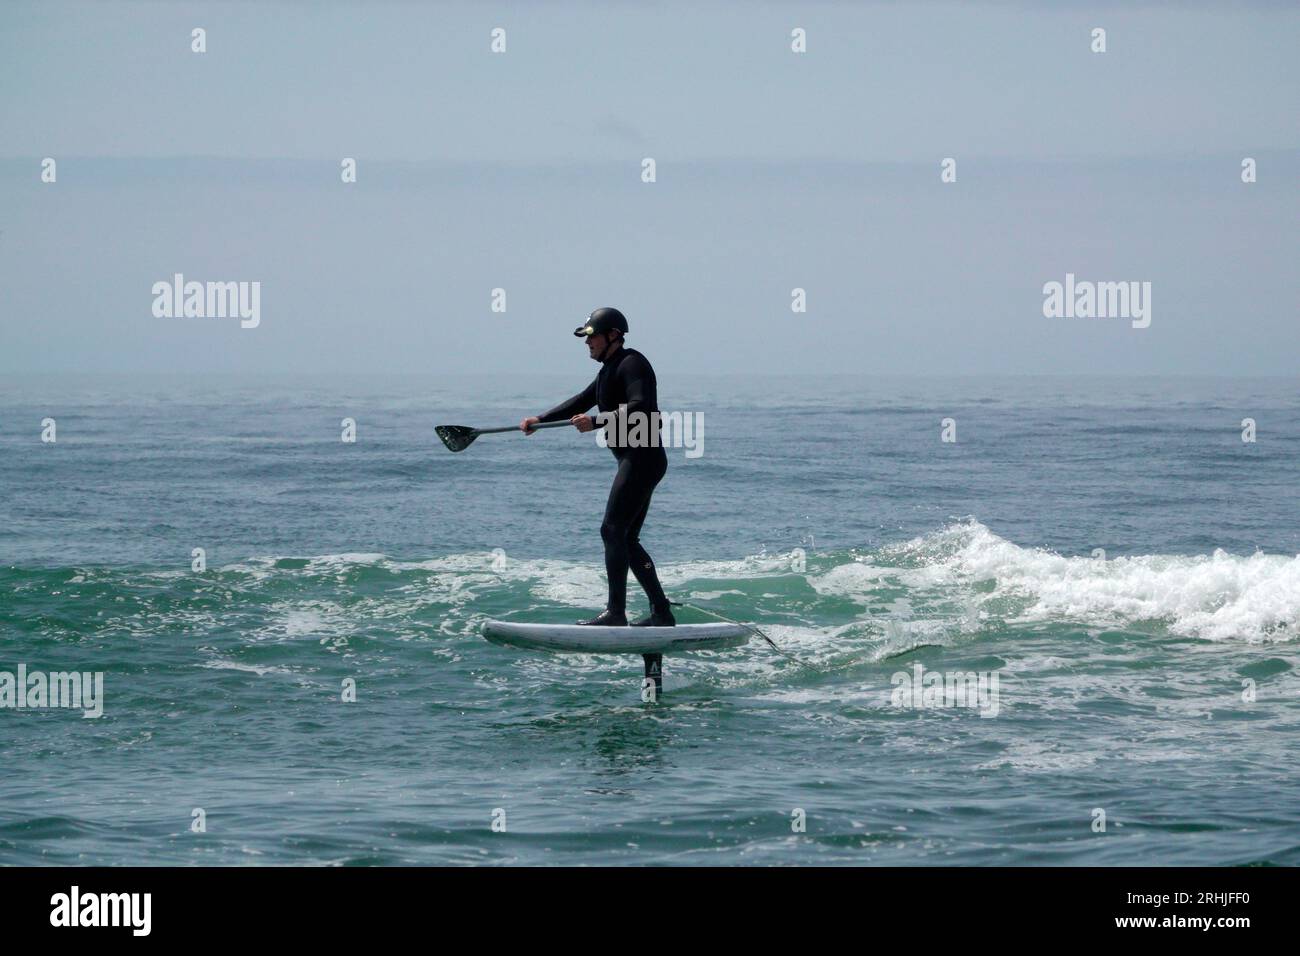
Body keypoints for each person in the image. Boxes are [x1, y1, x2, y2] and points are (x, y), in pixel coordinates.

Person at [520, 307, 676, 628]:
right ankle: (661, 612)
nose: (587, 344)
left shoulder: (633, 363)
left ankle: (616, 613)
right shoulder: (608, 370)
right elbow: (582, 400)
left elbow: (641, 406)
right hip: (635, 459)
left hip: (642, 457)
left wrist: (597, 421)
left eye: (592, 337)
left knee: (612, 530)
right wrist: (540, 420)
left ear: (613, 336)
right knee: (626, 538)